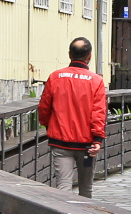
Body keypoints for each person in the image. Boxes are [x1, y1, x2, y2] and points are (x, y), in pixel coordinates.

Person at [37, 37, 106, 197]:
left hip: (61, 143)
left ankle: (64, 213)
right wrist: (97, 140)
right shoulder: (96, 81)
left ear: (70, 54)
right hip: (88, 146)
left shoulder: (55, 77)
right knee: (86, 188)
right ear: (89, 56)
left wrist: (50, 126)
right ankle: (84, 213)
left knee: (63, 188)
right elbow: (99, 112)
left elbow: (44, 108)